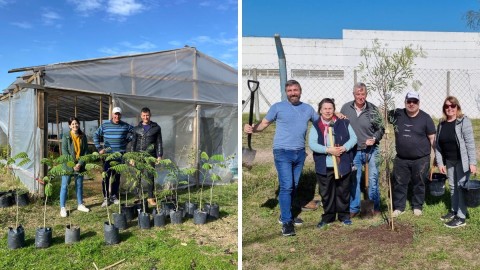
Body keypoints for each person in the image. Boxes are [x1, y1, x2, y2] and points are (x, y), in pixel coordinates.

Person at [244, 79, 318, 236]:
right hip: (282, 151)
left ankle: (287, 214)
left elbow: (322, 123)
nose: (293, 93)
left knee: (294, 185)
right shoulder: (278, 107)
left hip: (299, 153)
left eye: (295, 90)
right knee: (287, 186)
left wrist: (335, 115)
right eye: (290, 91)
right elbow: (263, 124)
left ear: (300, 91)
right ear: (286, 93)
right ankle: (286, 222)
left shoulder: (308, 109)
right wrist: (252, 129)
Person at [309, 98, 357, 228]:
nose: (328, 111)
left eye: (330, 108)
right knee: (326, 193)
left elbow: (354, 138)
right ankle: (328, 217)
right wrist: (328, 150)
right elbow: (312, 144)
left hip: (342, 163)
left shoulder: (343, 122)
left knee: (343, 191)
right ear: (320, 110)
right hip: (324, 165)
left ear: (333, 109)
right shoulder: (316, 125)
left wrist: (344, 148)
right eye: (325, 108)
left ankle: (344, 216)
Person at [340, 82, 384, 217]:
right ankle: (354, 208)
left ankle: (373, 207)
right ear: (354, 94)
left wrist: (375, 139)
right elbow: (340, 126)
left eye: (363, 94)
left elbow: (380, 129)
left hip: (371, 150)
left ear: (366, 94)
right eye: (358, 94)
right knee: (355, 179)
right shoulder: (346, 108)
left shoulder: (373, 109)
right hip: (353, 150)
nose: (360, 96)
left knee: (373, 179)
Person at [389, 91, 435, 217]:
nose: (411, 104)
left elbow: (432, 138)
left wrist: (437, 156)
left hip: (421, 158)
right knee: (399, 182)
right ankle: (399, 207)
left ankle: (417, 206)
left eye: (414, 101)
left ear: (418, 103)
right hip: (401, 158)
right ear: (405, 102)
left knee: (419, 182)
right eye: (409, 101)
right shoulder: (397, 114)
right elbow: (380, 114)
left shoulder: (426, 118)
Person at [435, 96, 476, 228]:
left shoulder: (463, 121)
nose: (450, 108)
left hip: (462, 161)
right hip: (449, 161)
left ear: (457, 107)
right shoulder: (441, 124)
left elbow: (470, 143)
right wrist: (440, 163)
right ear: (444, 108)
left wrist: (473, 163)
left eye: (452, 106)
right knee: (452, 187)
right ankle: (454, 210)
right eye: (447, 106)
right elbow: (438, 146)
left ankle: (461, 217)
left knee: (461, 187)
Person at [93, 107, 134, 207]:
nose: (117, 116)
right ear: (112, 115)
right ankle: (106, 198)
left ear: (121, 115)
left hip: (120, 155)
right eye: (115, 114)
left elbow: (135, 132)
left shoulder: (125, 125)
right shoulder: (105, 125)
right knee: (106, 176)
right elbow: (95, 135)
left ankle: (114, 196)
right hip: (108, 156)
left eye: (119, 114)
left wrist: (127, 140)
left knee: (116, 176)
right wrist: (99, 148)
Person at [129, 107, 163, 206]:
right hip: (138, 156)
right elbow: (133, 144)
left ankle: (150, 197)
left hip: (151, 155)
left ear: (150, 115)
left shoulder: (156, 128)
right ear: (141, 116)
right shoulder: (136, 129)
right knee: (138, 176)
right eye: (143, 115)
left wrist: (159, 155)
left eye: (147, 115)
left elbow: (159, 142)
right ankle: (137, 196)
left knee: (150, 177)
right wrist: (132, 157)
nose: (145, 117)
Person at [59, 117, 90, 217]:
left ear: (79, 124)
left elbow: (85, 151)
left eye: (76, 123)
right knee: (65, 185)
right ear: (69, 126)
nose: (74, 125)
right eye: (72, 124)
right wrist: (72, 164)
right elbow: (64, 151)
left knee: (79, 185)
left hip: (79, 165)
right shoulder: (66, 136)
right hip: (68, 165)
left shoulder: (83, 136)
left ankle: (80, 204)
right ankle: (62, 207)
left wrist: (79, 163)